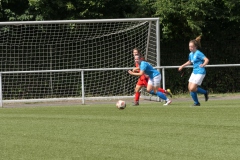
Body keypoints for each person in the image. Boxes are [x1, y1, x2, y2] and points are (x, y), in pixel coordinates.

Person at [178, 36, 209, 106]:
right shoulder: (190, 54)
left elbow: (206, 60)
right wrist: (182, 66)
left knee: (192, 88)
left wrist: (203, 64)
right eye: (189, 46)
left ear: (195, 47)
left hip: (200, 72)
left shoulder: (198, 53)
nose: (190, 48)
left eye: (191, 47)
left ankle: (205, 92)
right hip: (194, 72)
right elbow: (190, 62)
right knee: (190, 88)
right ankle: (197, 103)